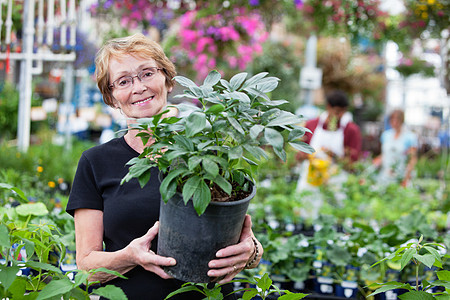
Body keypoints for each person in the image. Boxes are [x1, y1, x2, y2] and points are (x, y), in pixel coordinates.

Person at [66, 33, 263, 300]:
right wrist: (129, 256)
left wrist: (250, 252)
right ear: (111, 97)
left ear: (168, 80)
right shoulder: (95, 162)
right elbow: (86, 267)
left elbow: (236, 228)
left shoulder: (210, 149)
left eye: (147, 73)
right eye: (123, 81)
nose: (138, 87)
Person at [373, 109, 418, 187]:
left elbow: (412, 159)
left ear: (402, 121)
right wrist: (375, 162)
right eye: (392, 119)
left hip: (401, 175)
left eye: (397, 119)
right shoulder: (386, 135)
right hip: (385, 174)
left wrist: (406, 178)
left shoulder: (410, 137)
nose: (395, 122)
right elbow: (384, 155)